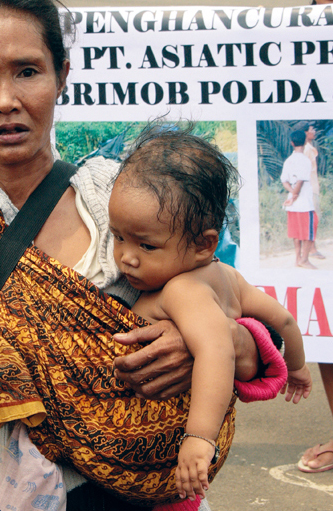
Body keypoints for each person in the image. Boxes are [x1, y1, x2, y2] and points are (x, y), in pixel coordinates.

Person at [0, 1, 287, 509]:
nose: (5, 100)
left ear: (61, 75)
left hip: (155, 495)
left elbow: (255, 326)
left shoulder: (126, 198)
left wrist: (210, 343)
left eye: (27, 71)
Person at [108, 123, 312, 502]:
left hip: (168, 452)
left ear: (204, 244)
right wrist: (297, 367)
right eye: (118, 236)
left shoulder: (182, 289)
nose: (126, 257)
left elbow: (217, 349)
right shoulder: (228, 276)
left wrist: (199, 438)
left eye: (147, 246)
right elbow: (283, 320)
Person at [280, 130, 318, 270]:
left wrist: (291, 194)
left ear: (292, 143)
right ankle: (304, 259)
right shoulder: (305, 160)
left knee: (296, 232)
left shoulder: (288, 160)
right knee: (309, 231)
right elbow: (301, 182)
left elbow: (284, 181)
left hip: (292, 204)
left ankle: (297, 259)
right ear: (305, 141)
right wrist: (295, 195)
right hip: (304, 203)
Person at [303, 123, 325, 260]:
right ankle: (312, 249)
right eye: (312, 129)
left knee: (313, 219)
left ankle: (310, 248)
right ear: (306, 132)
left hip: (312, 188)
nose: (314, 131)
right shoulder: (307, 150)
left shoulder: (309, 148)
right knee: (313, 219)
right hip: (309, 190)